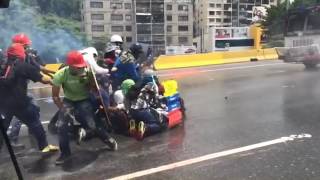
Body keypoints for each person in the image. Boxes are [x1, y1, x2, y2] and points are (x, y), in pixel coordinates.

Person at [52, 51, 117, 165]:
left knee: (92, 124)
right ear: (70, 66)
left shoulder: (87, 72)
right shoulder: (60, 75)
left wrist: (89, 82)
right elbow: (55, 96)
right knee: (62, 127)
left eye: (81, 66)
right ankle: (65, 153)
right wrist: (63, 108)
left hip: (84, 99)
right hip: (69, 100)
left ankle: (108, 140)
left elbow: (96, 90)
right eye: (77, 67)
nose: (80, 69)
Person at [0, 43, 59, 153]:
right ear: (21, 54)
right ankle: (44, 146)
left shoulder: (2, 64)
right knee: (35, 123)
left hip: (3, 104)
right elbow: (44, 79)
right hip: (20, 103)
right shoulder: (23, 66)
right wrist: (56, 81)